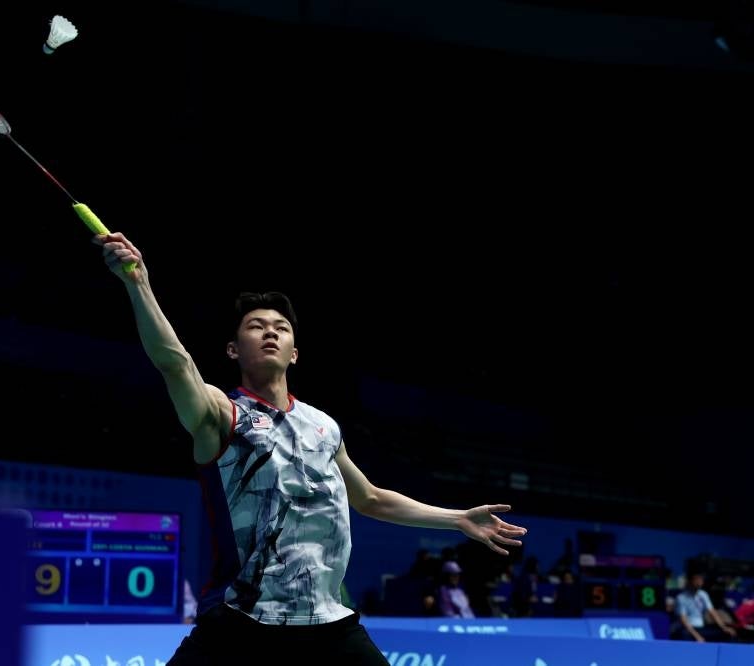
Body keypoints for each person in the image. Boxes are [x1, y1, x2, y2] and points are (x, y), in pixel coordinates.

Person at [93, 232, 528, 664]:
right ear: (232, 349)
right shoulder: (220, 414)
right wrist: (139, 283)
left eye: (280, 328)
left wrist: (457, 519)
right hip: (243, 623)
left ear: (294, 353)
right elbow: (174, 362)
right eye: (255, 326)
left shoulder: (323, 426)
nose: (270, 333)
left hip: (329, 625)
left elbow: (371, 498)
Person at [671, 571, 737, 642]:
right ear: (690, 581)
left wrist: (724, 627)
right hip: (687, 629)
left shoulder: (703, 594)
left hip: (701, 628)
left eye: (701, 580)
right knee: (683, 634)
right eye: (696, 579)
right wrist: (697, 636)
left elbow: (712, 612)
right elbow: (683, 620)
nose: (699, 582)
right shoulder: (681, 598)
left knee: (727, 633)